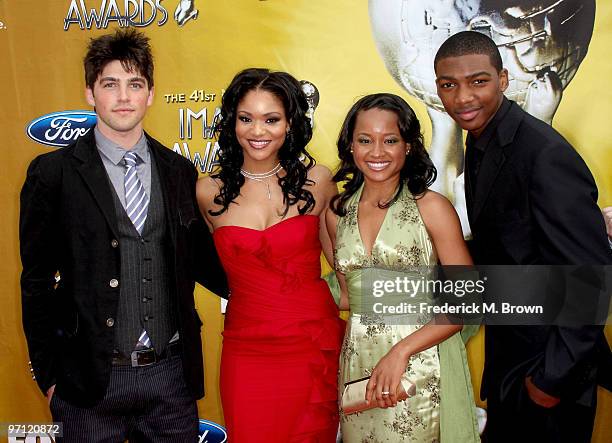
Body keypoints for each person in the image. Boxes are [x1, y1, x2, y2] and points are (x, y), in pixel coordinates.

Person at [20, 29, 228, 442]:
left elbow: (206, 263)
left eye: (135, 84)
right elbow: (36, 282)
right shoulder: (53, 174)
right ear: (89, 92)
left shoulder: (178, 171)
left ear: (150, 94)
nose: (123, 97)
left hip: (170, 379)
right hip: (88, 383)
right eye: (110, 84)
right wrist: (48, 377)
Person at [434, 31, 612, 443]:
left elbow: (588, 273)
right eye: (449, 85)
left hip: (549, 371)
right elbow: (511, 246)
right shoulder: (484, 140)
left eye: (478, 81)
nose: (463, 98)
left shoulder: (542, 153)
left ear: (503, 79)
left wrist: (551, 380)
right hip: (513, 363)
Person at [196, 68, 345, 442]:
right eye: (246, 119)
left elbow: (346, 268)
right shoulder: (205, 191)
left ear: (291, 122)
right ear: (232, 122)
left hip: (311, 345)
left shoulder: (318, 181)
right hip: (246, 352)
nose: (257, 131)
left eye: (271, 119)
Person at [327, 93, 480, 442]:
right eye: (365, 140)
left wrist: (401, 350)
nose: (376, 152)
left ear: (408, 146)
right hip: (357, 366)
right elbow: (349, 297)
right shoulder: (336, 215)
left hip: (418, 367)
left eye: (390, 140)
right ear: (350, 145)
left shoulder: (432, 208)